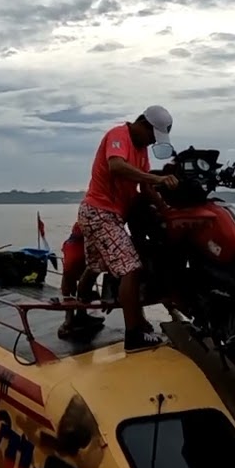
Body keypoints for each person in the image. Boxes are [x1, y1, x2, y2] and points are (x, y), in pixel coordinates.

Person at [77, 105, 179, 350]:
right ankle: (134, 334)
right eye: (152, 134)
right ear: (142, 123)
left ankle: (78, 317)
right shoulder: (118, 135)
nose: (153, 140)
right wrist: (156, 178)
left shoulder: (142, 151)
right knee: (131, 268)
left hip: (107, 215)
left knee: (94, 266)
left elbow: (145, 187)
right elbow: (117, 166)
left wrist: (167, 210)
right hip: (99, 212)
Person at [57, 221, 104, 339]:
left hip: (72, 248)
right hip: (83, 249)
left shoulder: (82, 220)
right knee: (89, 274)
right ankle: (74, 317)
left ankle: (73, 316)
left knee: (69, 275)